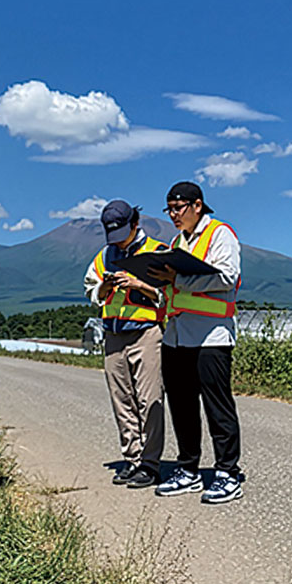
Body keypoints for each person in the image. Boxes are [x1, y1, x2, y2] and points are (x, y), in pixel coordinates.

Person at [150, 182, 244, 504]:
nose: (173, 215)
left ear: (197, 206)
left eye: (178, 208)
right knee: (182, 405)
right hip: (176, 335)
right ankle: (188, 468)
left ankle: (228, 472)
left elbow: (226, 277)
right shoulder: (177, 242)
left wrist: (178, 279)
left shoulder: (220, 235)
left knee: (217, 405)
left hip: (211, 334)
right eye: (169, 209)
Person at [83, 200, 168, 488]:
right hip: (113, 334)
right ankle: (132, 459)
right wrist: (104, 286)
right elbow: (90, 289)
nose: (117, 242)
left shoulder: (157, 251)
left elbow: (169, 295)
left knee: (150, 399)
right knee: (122, 400)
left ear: (135, 223)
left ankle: (150, 463)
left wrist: (138, 284)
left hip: (146, 331)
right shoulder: (105, 255)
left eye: (122, 234)